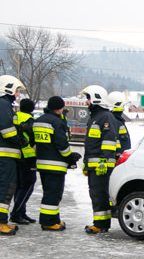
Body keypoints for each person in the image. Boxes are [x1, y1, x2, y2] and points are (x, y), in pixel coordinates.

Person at [33, 96, 80, 230]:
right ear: (59, 109)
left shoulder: (38, 121)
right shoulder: (57, 123)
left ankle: (54, 219)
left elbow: (34, 143)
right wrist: (70, 157)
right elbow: (61, 145)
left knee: (48, 192)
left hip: (42, 163)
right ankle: (48, 222)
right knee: (53, 194)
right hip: (55, 165)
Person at [81, 85, 119, 234]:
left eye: (88, 98)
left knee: (100, 195)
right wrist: (86, 163)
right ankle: (100, 223)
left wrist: (104, 161)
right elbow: (90, 144)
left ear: (96, 98)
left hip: (101, 165)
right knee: (96, 194)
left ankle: (101, 224)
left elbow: (109, 141)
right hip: (94, 165)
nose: (87, 102)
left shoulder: (105, 117)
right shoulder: (95, 118)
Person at [0, 75, 26, 236]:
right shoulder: (3, 104)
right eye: (16, 90)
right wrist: (19, 140)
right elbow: (6, 128)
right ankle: (1, 222)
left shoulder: (5, 104)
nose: (17, 94)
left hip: (7, 157)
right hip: (5, 157)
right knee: (5, 188)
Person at [10, 98, 38, 224]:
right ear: (32, 109)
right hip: (28, 156)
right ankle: (16, 212)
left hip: (16, 155)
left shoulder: (14, 116)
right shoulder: (30, 120)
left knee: (19, 186)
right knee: (28, 185)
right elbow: (34, 139)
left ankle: (21, 212)